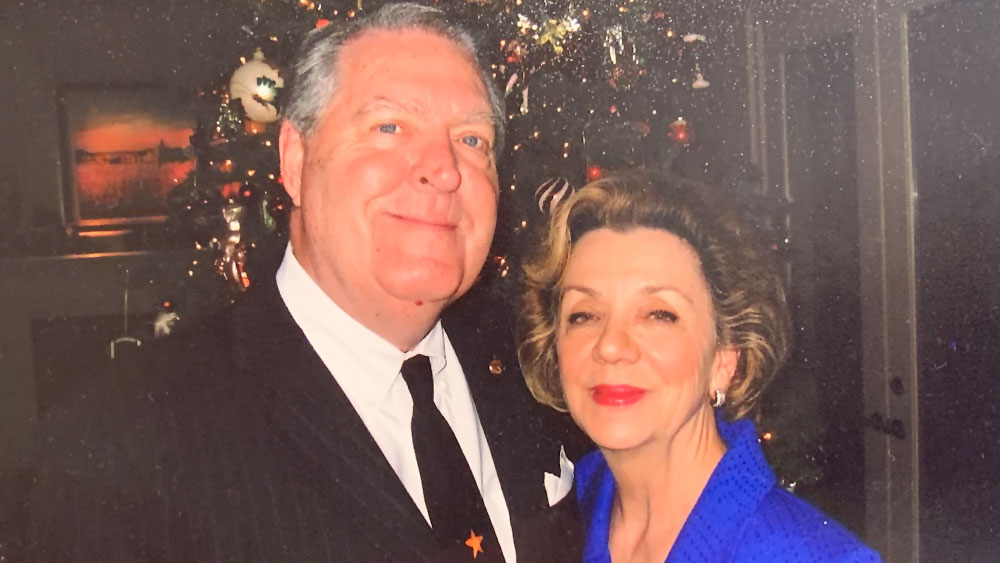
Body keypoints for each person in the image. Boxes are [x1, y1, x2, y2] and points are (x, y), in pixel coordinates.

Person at [26, 4, 582, 562]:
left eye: (471, 139)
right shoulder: (127, 443)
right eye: (388, 127)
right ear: (295, 158)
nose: (444, 168)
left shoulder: (540, 368)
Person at [517, 173, 882, 562]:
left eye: (658, 314)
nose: (609, 345)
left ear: (724, 358)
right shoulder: (562, 515)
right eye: (584, 315)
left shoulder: (814, 556)